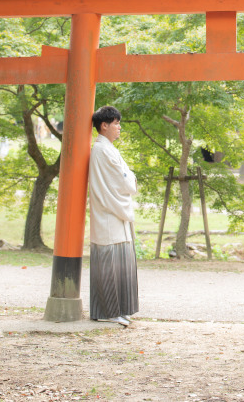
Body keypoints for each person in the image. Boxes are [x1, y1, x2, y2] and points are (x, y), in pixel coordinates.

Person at [88, 106, 139, 327]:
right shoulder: (102, 150)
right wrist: (130, 177)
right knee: (109, 263)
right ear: (104, 126)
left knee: (117, 263)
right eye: (116, 123)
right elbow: (126, 181)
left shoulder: (107, 149)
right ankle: (110, 311)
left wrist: (129, 177)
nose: (119, 127)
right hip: (108, 213)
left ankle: (116, 309)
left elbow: (126, 178)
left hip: (113, 212)